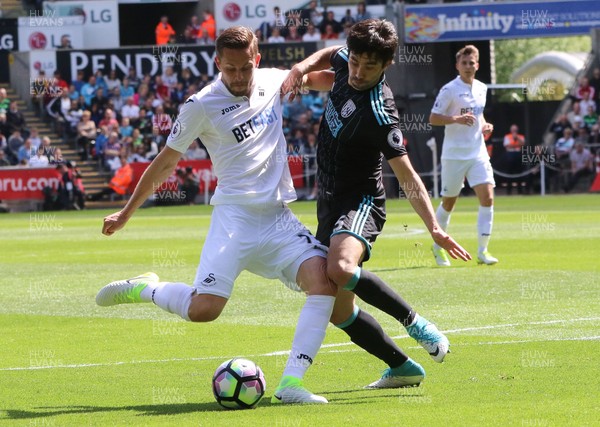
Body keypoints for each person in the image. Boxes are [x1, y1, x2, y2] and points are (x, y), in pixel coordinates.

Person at [94, 26, 337, 405]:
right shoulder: (200, 104)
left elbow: (329, 77)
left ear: (256, 60)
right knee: (204, 310)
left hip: (278, 219)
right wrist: (127, 212)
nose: (239, 77)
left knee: (323, 283)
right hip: (233, 220)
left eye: (245, 68)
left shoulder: (272, 80)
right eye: (230, 69)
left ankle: (291, 383)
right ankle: (145, 288)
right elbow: (165, 162)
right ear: (217, 64)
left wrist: (348, 70)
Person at [282, 19, 471, 388]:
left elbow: (407, 176)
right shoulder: (345, 64)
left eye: (369, 66)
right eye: (354, 61)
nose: (357, 71)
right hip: (329, 202)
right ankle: (402, 367)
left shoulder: (381, 113)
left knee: (339, 266)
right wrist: (302, 70)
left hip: (362, 199)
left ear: (386, 65)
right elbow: (329, 60)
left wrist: (434, 228)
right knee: (340, 311)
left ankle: (417, 324)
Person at [428, 44, 497, 266]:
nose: (468, 66)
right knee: (449, 202)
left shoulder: (482, 88)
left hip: (477, 152)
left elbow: (480, 115)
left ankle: (483, 251)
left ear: (477, 65)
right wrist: (456, 119)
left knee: (487, 197)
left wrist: (485, 126)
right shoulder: (449, 90)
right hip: (454, 155)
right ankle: (438, 248)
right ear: (457, 65)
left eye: (472, 63)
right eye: (464, 63)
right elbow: (433, 118)